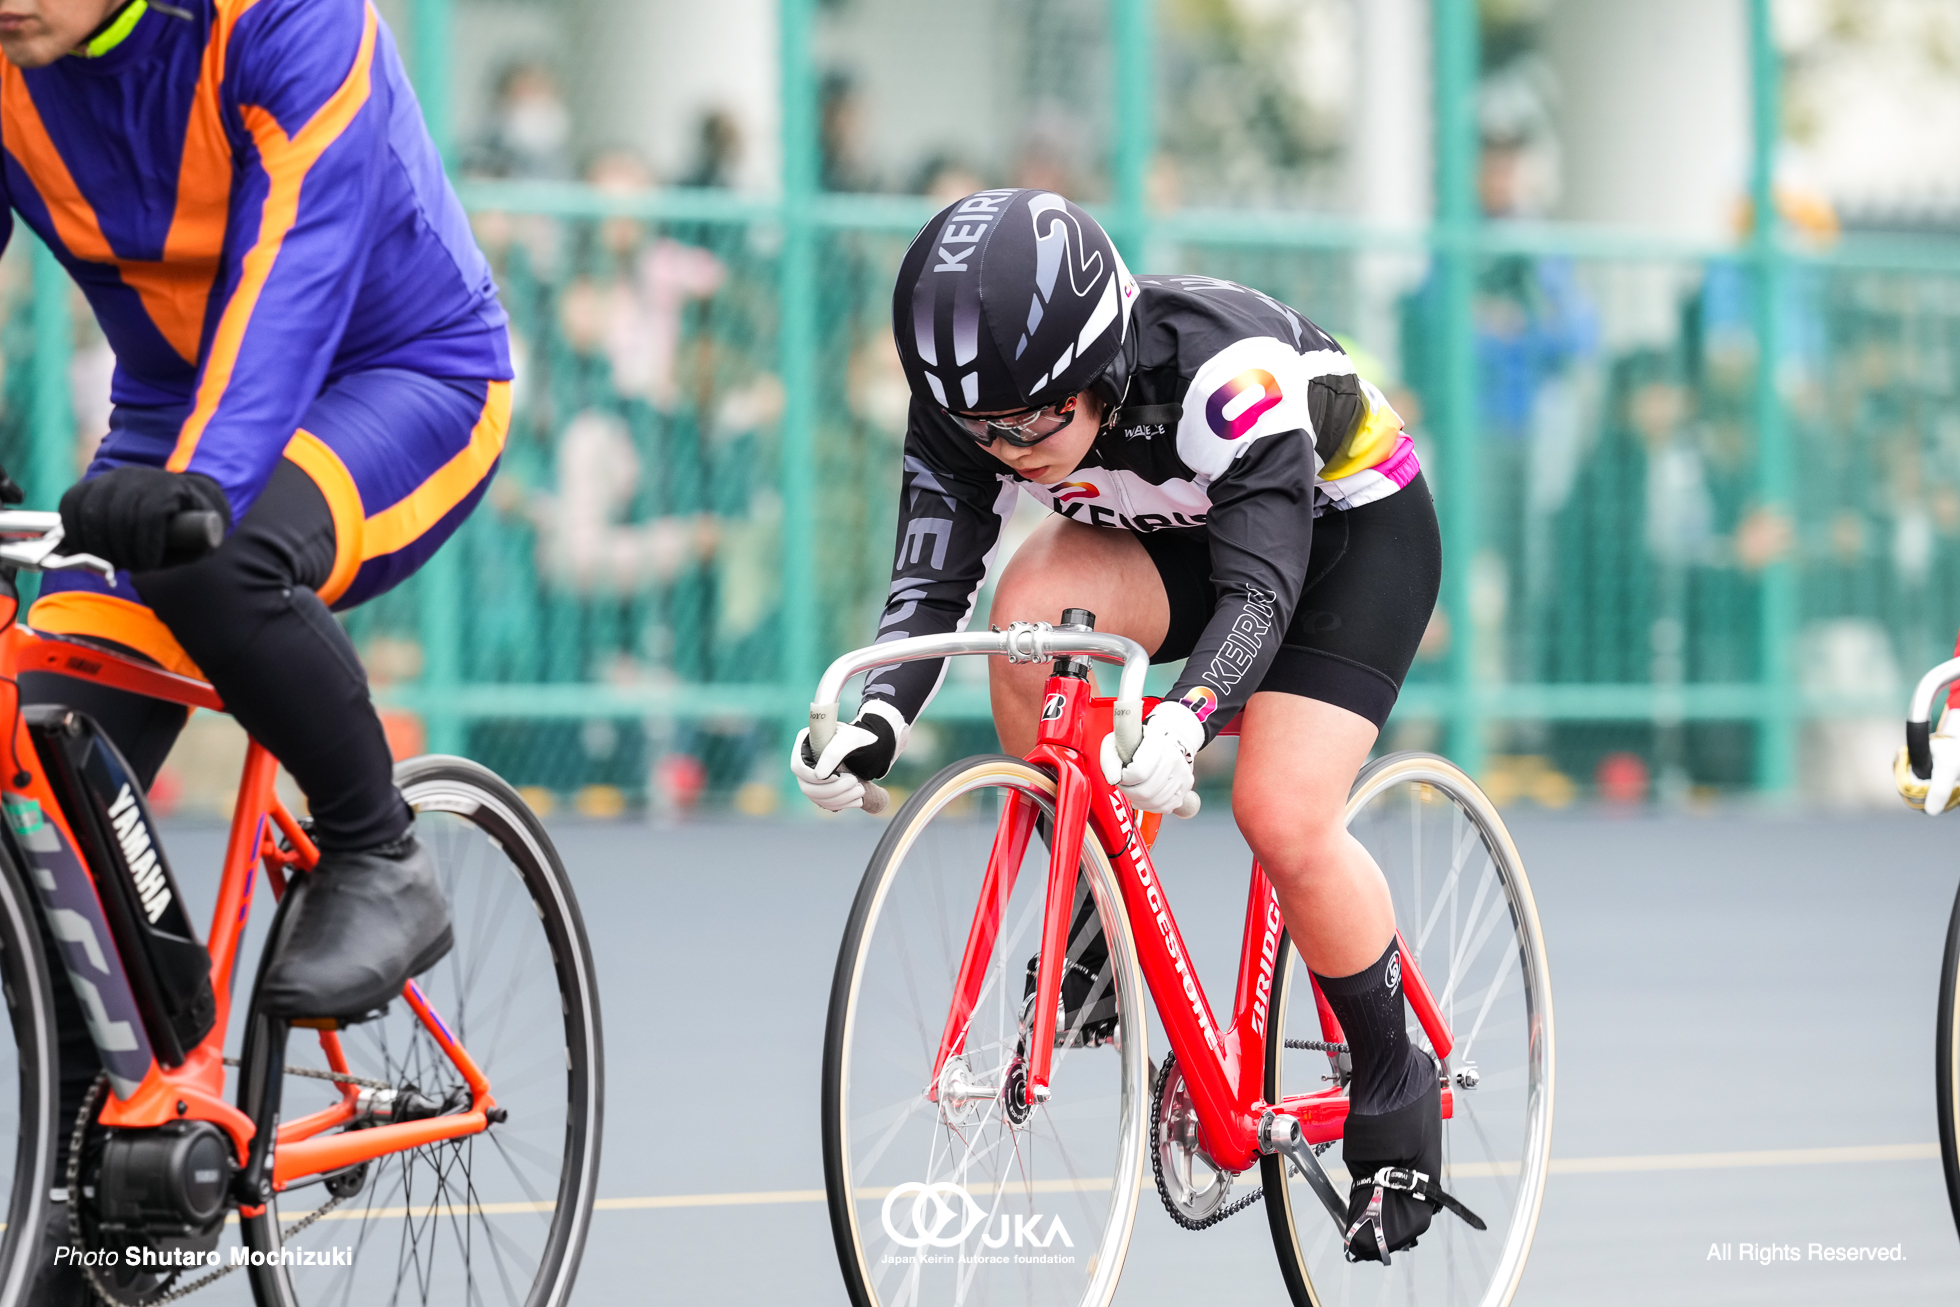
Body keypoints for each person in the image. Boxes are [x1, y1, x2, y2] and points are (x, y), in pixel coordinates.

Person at [790, 189, 1462, 1262]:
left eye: (1032, 424)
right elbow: (931, 581)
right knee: (1027, 615)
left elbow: (1261, 587)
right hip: (1178, 538)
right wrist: (876, 715)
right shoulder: (981, 402)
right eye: (980, 432)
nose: (1006, 451)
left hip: (1338, 543)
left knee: (1278, 811)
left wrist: (1191, 715)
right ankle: (1095, 912)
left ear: (1100, 366)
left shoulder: (1222, 377)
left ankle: (1394, 1073)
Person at [0, 0, 510, 1290]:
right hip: (176, 423)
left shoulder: (288, 19)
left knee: (220, 560)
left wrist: (207, 482)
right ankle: (125, 1136)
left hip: (406, 378)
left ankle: (374, 848)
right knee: (41, 776)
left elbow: (295, 270)